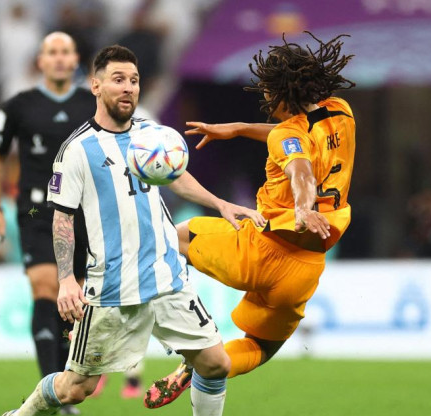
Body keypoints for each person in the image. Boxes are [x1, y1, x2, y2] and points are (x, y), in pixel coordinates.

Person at [0, 45, 262, 416]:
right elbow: (62, 218)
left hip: (167, 277)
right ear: (95, 85)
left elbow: (177, 177)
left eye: (134, 81)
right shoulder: (77, 150)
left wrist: (220, 204)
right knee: (77, 388)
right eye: (118, 79)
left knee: (215, 363)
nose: (128, 88)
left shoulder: (151, 135)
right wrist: (65, 280)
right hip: (112, 288)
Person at [144, 32, 357, 408]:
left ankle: (147, 320)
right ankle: (199, 367)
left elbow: (300, 170)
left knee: (168, 237)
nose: (264, 101)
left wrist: (303, 208)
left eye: (266, 93)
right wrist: (240, 129)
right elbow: (296, 140)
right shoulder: (341, 111)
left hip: (259, 250)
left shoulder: (287, 137)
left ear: (280, 93)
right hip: (304, 270)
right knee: (259, 347)